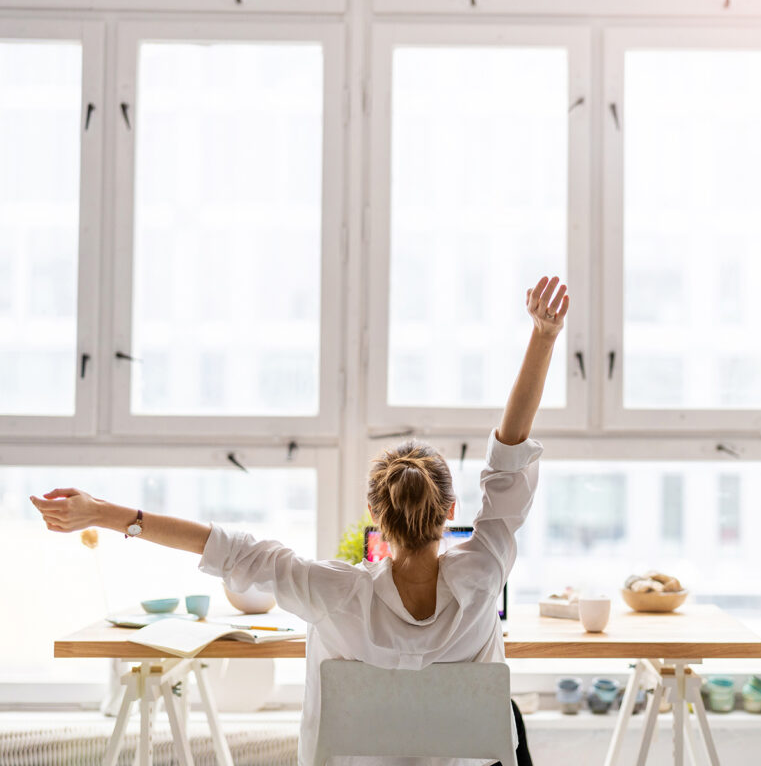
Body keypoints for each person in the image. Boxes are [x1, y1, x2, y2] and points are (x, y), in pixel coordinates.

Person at [31, 275, 568, 766]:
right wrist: (544, 337)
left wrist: (101, 511)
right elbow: (509, 461)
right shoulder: (483, 571)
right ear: (449, 513)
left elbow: (226, 548)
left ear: (374, 517)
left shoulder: (335, 592)